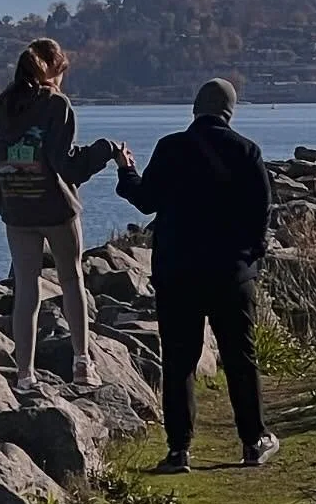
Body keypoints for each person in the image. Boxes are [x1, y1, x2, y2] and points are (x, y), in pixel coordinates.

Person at [115, 78, 280, 471]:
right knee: (240, 358)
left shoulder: (170, 147)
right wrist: (251, 257)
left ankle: (179, 451)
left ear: (195, 108)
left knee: (179, 361)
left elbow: (146, 200)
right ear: (230, 111)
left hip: (177, 272)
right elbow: (261, 212)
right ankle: (254, 442)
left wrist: (126, 170)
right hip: (230, 273)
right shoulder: (246, 151)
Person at [0, 38, 123, 394]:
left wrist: (1, 203)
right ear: (55, 70)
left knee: (26, 290)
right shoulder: (57, 104)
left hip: (17, 209)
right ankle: (82, 363)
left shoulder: (4, 104)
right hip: (55, 208)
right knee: (71, 279)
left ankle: (24, 375)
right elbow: (67, 164)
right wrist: (105, 150)